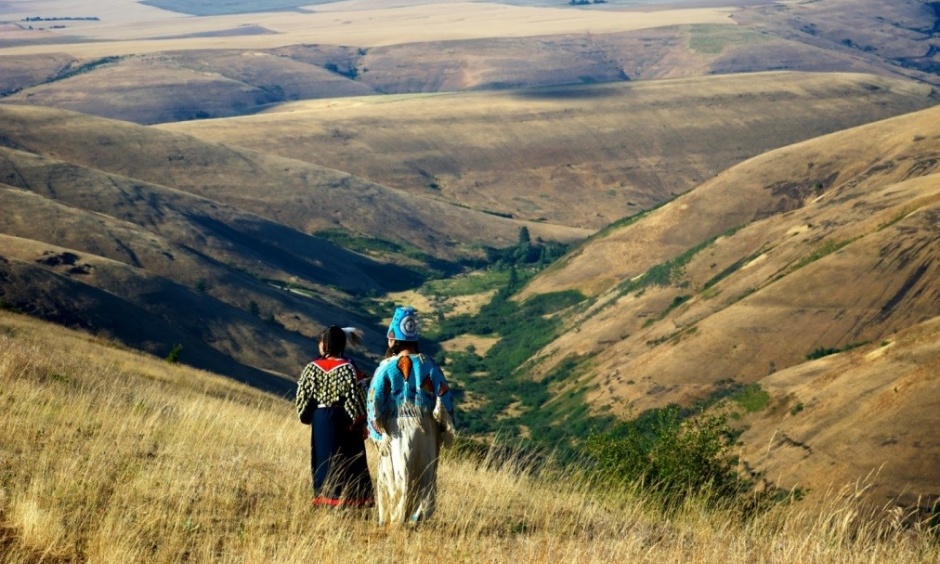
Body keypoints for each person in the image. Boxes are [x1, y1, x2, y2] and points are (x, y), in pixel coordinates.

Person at [367, 306, 456, 524]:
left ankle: (394, 521)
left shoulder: (385, 368)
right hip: (425, 428)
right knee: (424, 475)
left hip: (395, 429)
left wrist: (378, 433)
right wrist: (445, 427)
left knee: (396, 476)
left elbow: (373, 400)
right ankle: (417, 519)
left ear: (392, 340)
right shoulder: (429, 365)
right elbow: (444, 395)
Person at [295, 325, 374, 507]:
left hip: (320, 418)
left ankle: (325, 499)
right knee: (348, 458)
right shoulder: (349, 368)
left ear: (325, 345)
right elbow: (359, 396)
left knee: (323, 459)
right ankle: (352, 500)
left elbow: (303, 397)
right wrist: (360, 422)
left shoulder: (312, 368)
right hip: (344, 419)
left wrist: (308, 416)